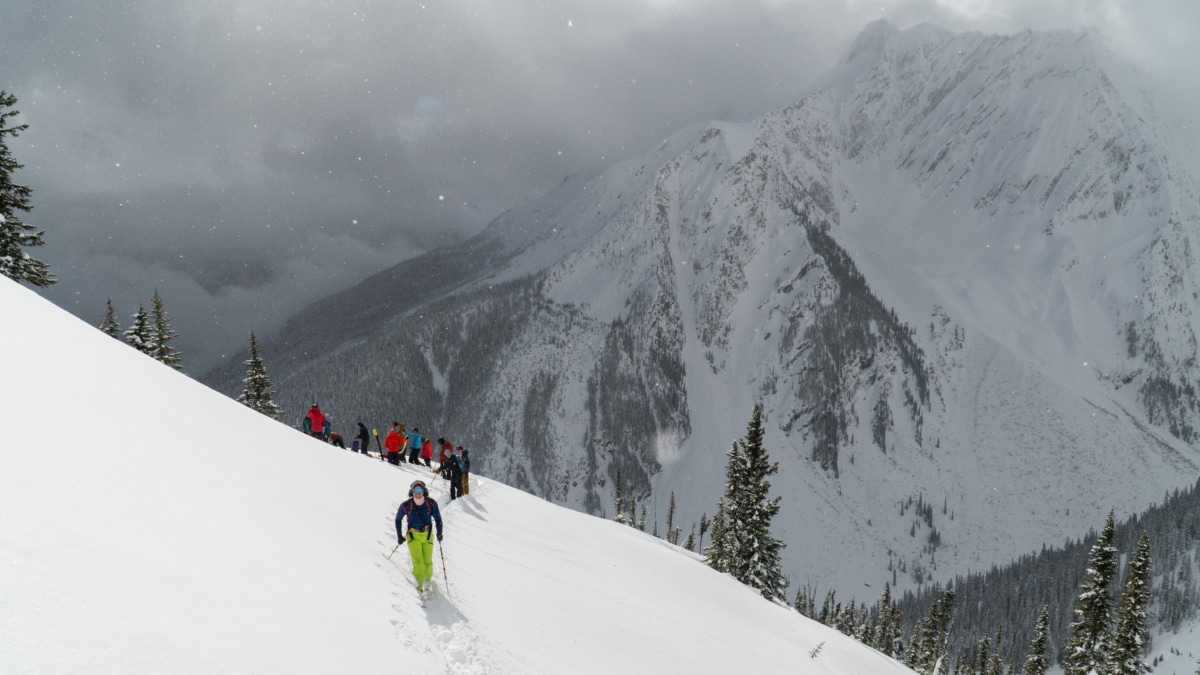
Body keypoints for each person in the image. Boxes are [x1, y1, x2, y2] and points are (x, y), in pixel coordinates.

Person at [395, 479, 443, 594]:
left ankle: (427, 581)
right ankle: (419, 587)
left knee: (427, 562)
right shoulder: (406, 505)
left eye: (419, 490)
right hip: (413, 536)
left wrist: (440, 533)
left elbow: (438, 519)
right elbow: (397, 519)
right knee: (418, 562)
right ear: (412, 491)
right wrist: (399, 536)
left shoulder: (431, 503)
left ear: (424, 491)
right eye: (415, 490)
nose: (417, 493)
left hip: (427, 535)